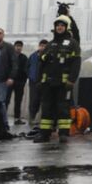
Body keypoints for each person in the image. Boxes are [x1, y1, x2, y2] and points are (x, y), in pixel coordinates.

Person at [32, 10, 80, 144]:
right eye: (57, 25)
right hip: (48, 83)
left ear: (66, 28)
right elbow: (42, 64)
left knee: (63, 108)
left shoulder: (73, 44)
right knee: (46, 108)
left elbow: (76, 63)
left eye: (62, 25)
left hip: (64, 84)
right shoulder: (49, 45)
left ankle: (63, 134)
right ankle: (44, 134)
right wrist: (40, 80)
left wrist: (72, 80)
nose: (59, 27)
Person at [27, 38, 48, 128]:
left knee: (44, 101)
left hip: (44, 82)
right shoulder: (33, 56)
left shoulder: (48, 56)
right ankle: (32, 118)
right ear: (39, 46)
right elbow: (27, 67)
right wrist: (30, 76)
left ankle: (43, 120)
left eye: (44, 46)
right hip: (33, 82)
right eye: (41, 45)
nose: (42, 47)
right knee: (33, 100)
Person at [10, 40, 29, 126]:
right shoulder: (10, 56)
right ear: (14, 47)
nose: (18, 48)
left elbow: (26, 70)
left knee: (18, 100)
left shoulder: (24, 57)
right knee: (5, 100)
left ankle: (17, 118)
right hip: (9, 81)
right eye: (17, 46)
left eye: (20, 46)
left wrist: (23, 80)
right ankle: (2, 118)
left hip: (20, 82)